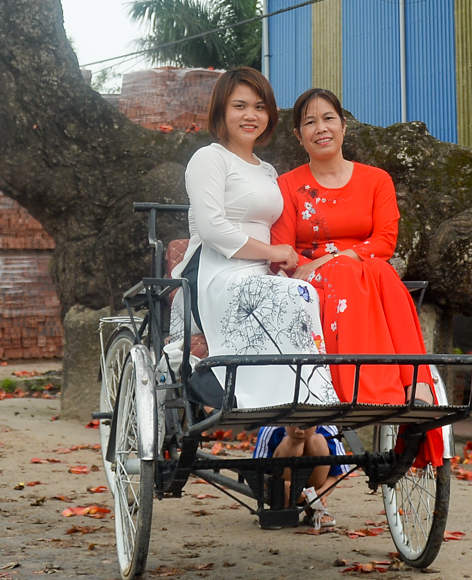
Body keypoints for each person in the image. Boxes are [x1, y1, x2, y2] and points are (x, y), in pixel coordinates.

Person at [182, 67, 337, 525]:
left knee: (307, 290)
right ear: (221, 112)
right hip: (219, 269)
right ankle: (277, 393)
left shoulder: (268, 170)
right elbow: (212, 229)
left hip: (264, 272)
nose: (251, 115)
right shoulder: (208, 159)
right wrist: (274, 252)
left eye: (259, 106)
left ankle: (308, 401)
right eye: (240, 106)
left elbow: (286, 230)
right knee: (282, 292)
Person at [270, 87, 443, 466]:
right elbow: (283, 251)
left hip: (367, 271)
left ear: (344, 126)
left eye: (328, 118)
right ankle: (371, 387)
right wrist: (323, 265)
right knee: (360, 271)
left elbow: (385, 240)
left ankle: (418, 384)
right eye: (309, 122)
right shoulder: (286, 186)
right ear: (299, 136)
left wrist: (341, 256)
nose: (321, 128)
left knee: (380, 271)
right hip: (311, 284)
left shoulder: (376, 180)